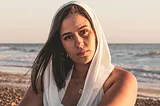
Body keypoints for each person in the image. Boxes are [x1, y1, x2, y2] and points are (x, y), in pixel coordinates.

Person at [18, 1, 137, 106]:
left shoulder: (121, 80)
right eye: (68, 37)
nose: (79, 43)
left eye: (84, 32)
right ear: (61, 44)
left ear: (96, 33)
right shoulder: (47, 79)